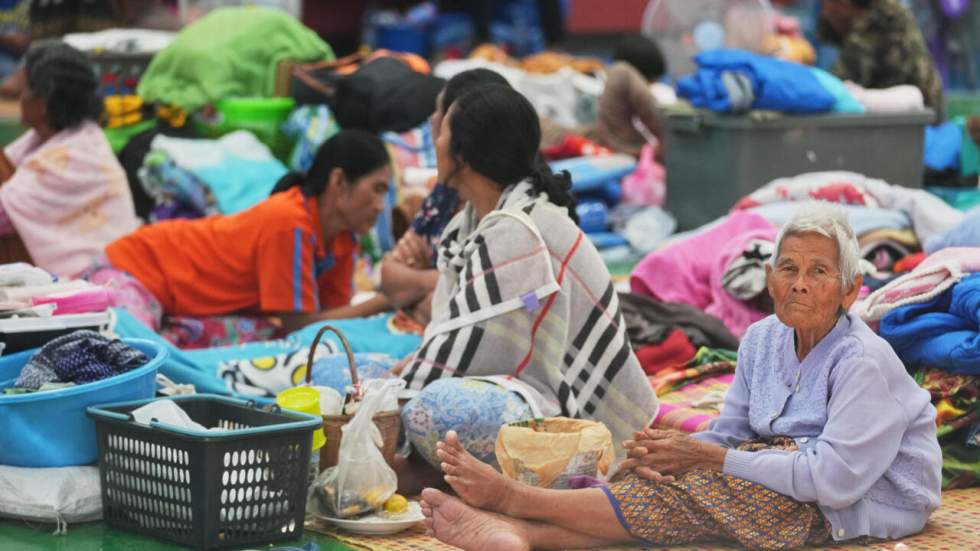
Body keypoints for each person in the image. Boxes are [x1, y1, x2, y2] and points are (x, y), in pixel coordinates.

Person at [417, 204, 942, 550]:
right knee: (660, 480)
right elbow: (734, 432)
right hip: (788, 468)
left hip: (861, 501)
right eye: (789, 269)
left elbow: (832, 480)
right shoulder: (762, 339)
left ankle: (516, 503)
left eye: (819, 273)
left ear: (851, 291)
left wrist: (708, 456)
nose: (800, 285)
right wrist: (675, 452)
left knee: (724, 493)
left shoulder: (863, 362)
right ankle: (525, 534)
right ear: (770, 277)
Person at [394, 84, 659, 493]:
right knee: (374, 377)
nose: (436, 141)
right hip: (522, 390)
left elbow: (471, 350)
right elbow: (458, 337)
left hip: (565, 410)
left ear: (463, 154)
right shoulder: (474, 222)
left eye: (442, 131)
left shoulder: (518, 231)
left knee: (436, 407)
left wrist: (398, 391)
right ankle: (430, 470)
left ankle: (430, 471)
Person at [93, 130, 392, 334]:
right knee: (133, 354)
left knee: (268, 338)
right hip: (135, 269)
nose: (381, 206)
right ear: (339, 182)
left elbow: (328, 325)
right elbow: (299, 326)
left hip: (177, 303)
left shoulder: (343, 238)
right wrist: (385, 301)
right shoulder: (290, 222)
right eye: (376, 190)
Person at [379, 68, 510, 325]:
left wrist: (419, 285)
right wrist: (440, 283)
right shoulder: (445, 196)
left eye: (439, 112)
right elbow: (390, 277)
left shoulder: (508, 210)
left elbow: (484, 303)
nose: (432, 120)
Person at [0, 40, 139, 277]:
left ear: (42, 103)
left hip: (96, 278)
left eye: (23, 91)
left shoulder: (74, 155)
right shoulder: (50, 137)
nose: (19, 99)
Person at [818, 0, 944, 119]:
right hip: (917, 116)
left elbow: (833, 90)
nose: (825, 14)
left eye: (826, 4)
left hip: (919, 122)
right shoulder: (879, 13)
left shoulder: (876, 28)